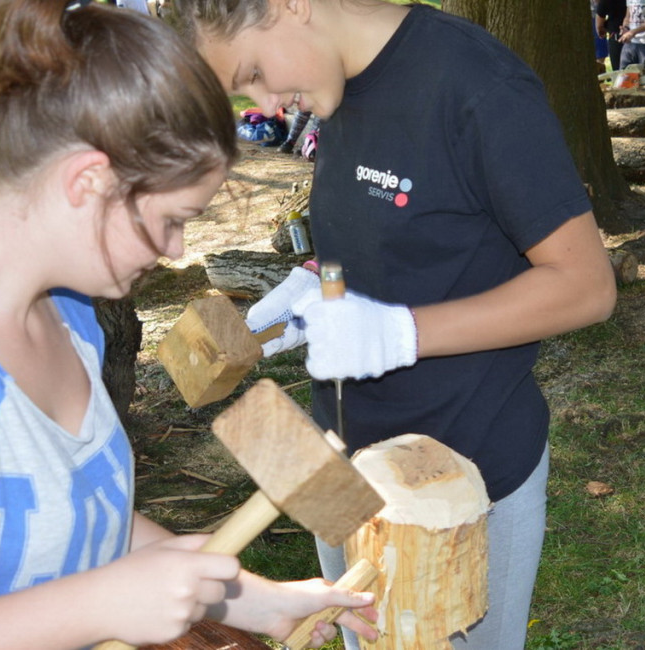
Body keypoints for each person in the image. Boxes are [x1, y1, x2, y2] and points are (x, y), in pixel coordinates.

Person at [0, 2, 378, 649]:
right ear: (87, 180)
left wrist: (256, 601)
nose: (174, 251)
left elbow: (86, 519)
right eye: (171, 219)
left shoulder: (70, 316)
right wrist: (94, 608)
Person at [170, 1, 617, 649]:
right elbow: (390, 239)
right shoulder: (333, 85)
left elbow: (586, 287)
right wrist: (318, 286)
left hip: (461, 481)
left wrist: (400, 333)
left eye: (254, 72)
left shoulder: (478, 88)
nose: (267, 100)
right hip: (341, 471)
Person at [597, 0, 629, 71]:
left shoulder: (605, 2)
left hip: (616, 38)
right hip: (635, 36)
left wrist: (601, 31)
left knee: (618, 72)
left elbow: (599, 24)